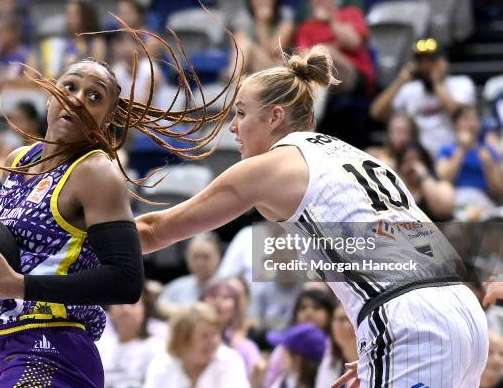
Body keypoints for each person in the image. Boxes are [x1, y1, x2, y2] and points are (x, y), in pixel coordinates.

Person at [135, 46, 489, 386]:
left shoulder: (270, 167)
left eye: (241, 113)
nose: (233, 127)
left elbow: (153, 230)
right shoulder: (358, 157)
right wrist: (378, 343)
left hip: (408, 321)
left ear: (275, 116)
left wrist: (82, 244)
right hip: (460, 311)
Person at [0, 25, 240, 386]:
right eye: (70, 86)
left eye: (95, 97)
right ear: (51, 96)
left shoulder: (96, 172)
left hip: (54, 348)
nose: (78, 98)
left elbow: (126, 282)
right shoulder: (20, 160)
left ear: (107, 119)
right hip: (5, 345)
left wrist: (18, 286)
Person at [370, 38, 476, 157]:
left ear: (443, 62)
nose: (426, 66)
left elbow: (458, 113)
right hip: (419, 157)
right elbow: (376, 113)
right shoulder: (410, 90)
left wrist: (437, 82)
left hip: (453, 154)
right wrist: (400, 81)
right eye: (421, 61)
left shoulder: (461, 83)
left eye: (431, 60)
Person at [143, 302, 250, 388]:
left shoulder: (229, 360)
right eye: (205, 336)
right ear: (182, 341)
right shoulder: (162, 364)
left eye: (215, 334)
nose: (213, 342)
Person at [436, 106, 502, 206]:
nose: (471, 123)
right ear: (455, 124)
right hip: (455, 198)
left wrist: (489, 166)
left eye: (475, 119)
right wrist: (461, 148)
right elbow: (444, 178)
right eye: (466, 119)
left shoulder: (489, 151)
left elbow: (499, 190)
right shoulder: (447, 149)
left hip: (484, 199)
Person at [231, 0, 294, 74]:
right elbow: (237, 48)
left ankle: (231, 80)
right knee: (244, 43)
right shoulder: (243, 18)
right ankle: (233, 80)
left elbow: (274, 51)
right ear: (251, 0)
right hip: (251, 68)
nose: (262, 1)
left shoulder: (285, 16)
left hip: (277, 69)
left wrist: (262, 23)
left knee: (246, 44)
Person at [158, 232, 221, 310]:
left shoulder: (229, 288)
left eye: (205, 257)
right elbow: (159, 307)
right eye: (195, 256)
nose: (200, 263)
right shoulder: (176, 287)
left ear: (218, 257)